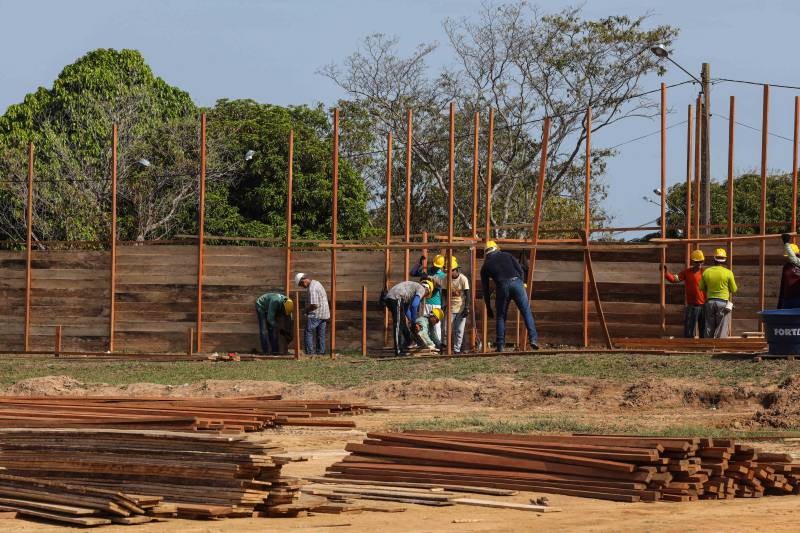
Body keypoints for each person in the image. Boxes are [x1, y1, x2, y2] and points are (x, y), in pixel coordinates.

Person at [480, 240, 538, 352]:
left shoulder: (485, 267)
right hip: (517, 283)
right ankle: (533, 339)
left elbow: (485, 289)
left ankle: (500, 346)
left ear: (486, 253)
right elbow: (520, 270)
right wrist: (522, 283)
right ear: (496, 248)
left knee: (501, 316)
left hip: (502, 286)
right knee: (526, 312)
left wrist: (488, 307)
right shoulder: (507, 255)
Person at [383, 280, 434, 357]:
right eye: (426, 295)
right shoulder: (422, 289)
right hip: (396, 297)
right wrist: (414, 323)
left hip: (391, 298)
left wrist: (412, 321)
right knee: (398, 324)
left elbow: (406, 310)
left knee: (402, 321)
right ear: (427, 290)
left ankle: (408, 341)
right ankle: (398, 351)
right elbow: (414, 306)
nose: (423, 296)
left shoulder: (411, 291)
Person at [664, 249, 707, 338]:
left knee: (703, 331)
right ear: (693, 262)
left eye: (701, 261)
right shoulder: (687, 272)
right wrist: (666, 273)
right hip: (692, 305)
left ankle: (703, 346)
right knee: (689, 331)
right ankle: (688, 345)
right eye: (697, 262)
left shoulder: (705, 273)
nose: (699, 263)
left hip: (704, 306)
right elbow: (675, 279)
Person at [699, 248, 738, 338]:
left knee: (709, 326)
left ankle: (708, 345)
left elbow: (701, 287)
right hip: (723, 304)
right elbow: (734, 289)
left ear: (714, 258)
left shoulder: (706, 272)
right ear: (724, 260)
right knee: (722, 328)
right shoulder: (728, 273)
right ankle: (720, 345)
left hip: (710, 302)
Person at [411, 254, 446, 340]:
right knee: (423, 323)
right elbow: (413, 273)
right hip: (425, 302)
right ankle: (424, 342)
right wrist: (419, 264)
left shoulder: (443, 275)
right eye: (435, 265)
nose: (436, 267)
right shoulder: (428, 271)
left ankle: (437, 344)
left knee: (436, 325)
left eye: (437, 266)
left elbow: (440, 285)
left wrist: (429, 277)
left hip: (436, 303)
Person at [294, 273, 330, 356]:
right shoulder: (317, 283)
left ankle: (310, 352)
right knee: (320, 333)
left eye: (301, 285)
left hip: (316, 314)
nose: (302, 287)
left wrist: (305, 311)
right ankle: (321, 352)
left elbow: (314, 305)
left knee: (308, 331)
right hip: (324, 313)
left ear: (303, 281)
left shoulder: (312, 288)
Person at [447, 257, 471, 353]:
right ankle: (446, 348)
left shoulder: (463, 279)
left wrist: (466, 308)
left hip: (461, 308)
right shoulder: (446, 279)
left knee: (460, 330)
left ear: (456, 270)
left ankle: (457, 350)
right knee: (448, 330)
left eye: (451, 271)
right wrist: (445, 305)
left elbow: (467, 294)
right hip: (450, 308)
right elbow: (444, 293)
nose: (449, 273)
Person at [778, 233, 800, 309]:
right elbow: (783, 284)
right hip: (787, 300)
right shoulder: (786, 266)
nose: (788, 258)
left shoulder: (798, 262)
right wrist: (780, 303)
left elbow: (793, 258)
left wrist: (786, 243)